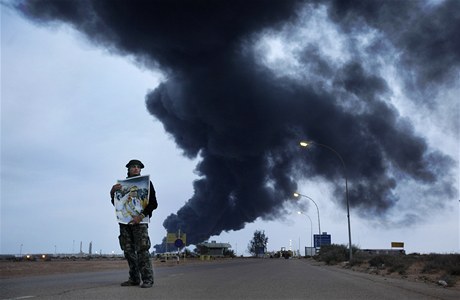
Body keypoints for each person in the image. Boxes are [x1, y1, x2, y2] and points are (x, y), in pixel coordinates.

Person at [110, 159, 158, 288]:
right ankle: (134, 278)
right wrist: (113, 192)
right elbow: (117, 205)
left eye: (138, 167)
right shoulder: (121, 186)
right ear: (129, 169)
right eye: (133, 167)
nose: (136, 169)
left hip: (140, 222)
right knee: (128, 251)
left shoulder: (146, 184)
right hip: (125, 223)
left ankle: (147, 279)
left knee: (142, 250)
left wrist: (141, 216)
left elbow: (153, 204)